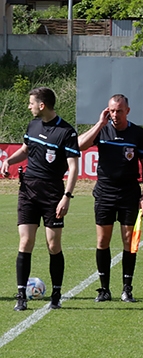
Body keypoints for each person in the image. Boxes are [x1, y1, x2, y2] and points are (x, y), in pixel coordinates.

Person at [2, 87, 79, 311]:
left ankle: (56, 294)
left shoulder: (66, 132)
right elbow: (26, 149)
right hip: (28, 190)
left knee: (53, 245)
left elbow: (73, 168)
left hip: (53, 193)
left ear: (42, 105)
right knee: (25, 241)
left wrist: (67, 196)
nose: (29, 106)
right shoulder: (33, 125)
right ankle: (21, 296)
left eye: (31, 103)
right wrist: (9, 161)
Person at [77, 94, 143, 303]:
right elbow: (79, 145)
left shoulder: (137, 133)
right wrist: (99, 123)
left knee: (129, 241)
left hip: (129, 192)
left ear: (127, 111)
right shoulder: (103, 130)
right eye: (111, 110)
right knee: (102, 240)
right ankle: (104, 289)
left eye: (119, 110)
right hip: (105, 192)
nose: (115, 114)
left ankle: (127, 288)